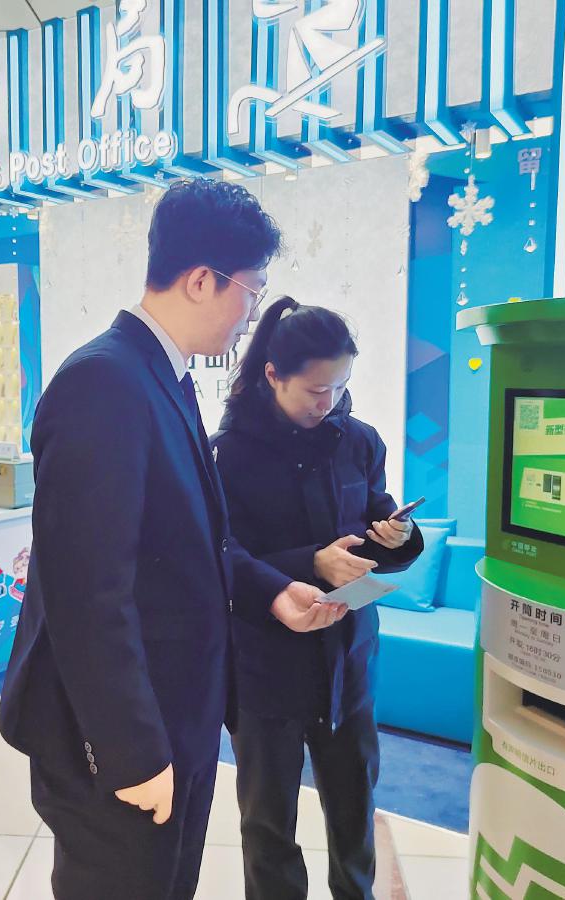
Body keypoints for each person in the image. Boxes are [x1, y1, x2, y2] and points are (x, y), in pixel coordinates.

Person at [0, 180, 347, 900]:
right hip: (121, 738)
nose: (251, 316)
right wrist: (130, 752)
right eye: (251, 292)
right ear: (201, 280)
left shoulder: (166, 378)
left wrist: (272, 591)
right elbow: (85, 593)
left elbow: (191, 543)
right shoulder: (103, 383)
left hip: (174, 714)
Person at [211, 298, 425, 900]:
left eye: (338, 387)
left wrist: (397, 535)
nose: (326, 402)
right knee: (268, 822)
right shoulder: (228, 453)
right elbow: (219, 553)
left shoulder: (359, 442)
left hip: (347, 662)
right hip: (266, 666)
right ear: (273, 375)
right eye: (313, 390)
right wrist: (309, 562)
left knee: (354, 810)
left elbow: (375, 521)